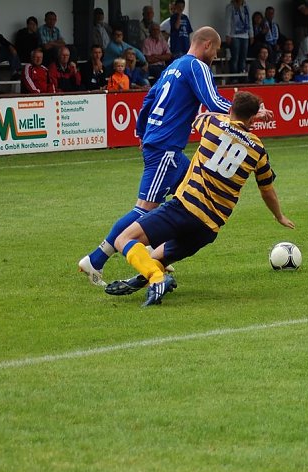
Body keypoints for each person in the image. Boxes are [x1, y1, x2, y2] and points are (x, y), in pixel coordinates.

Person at [78, 27, 266, 287]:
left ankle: (160, 252)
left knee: (188, 193)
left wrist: (141, 134)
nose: (215, 56)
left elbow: (148, 99)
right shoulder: (197, 66)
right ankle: (96, 259)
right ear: (207, 45)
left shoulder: (173, 66)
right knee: (144, 209)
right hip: (165, 148)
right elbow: (213, 101)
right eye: (217, 51)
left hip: (165, 147)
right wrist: (249, 114)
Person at [109, 91, 294, 306]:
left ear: (231, 109)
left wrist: (244, 115)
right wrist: (279, 215)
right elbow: (266, 189)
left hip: (184, 207)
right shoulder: (258, 150)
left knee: (123, 239)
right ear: (253, 119)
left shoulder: (213, 123)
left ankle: (156, 278)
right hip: (209, 228)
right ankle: (147, 277)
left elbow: (199, 118)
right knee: (158, 256)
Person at [225, 0, 251, 79]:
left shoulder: (246, 7)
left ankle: (242, 76)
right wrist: (228, 34)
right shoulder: (230, 7)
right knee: (235, 57)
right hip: (234, 35)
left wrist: (251, 34)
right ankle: (234, 77)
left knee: (243, 57)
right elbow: (228, 21)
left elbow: (249, 21)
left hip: (245, 35)